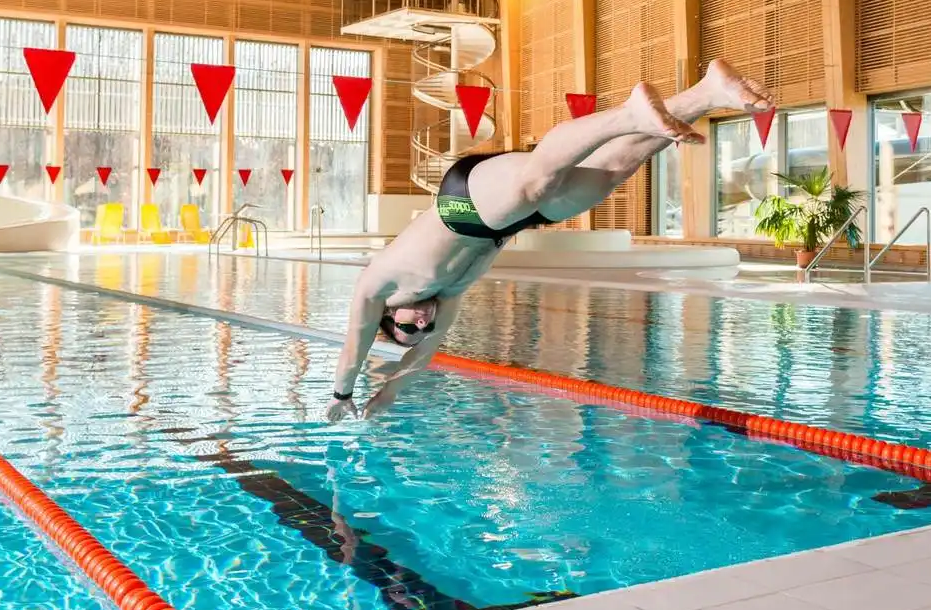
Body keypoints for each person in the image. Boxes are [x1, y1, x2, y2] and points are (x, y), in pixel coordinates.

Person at [329, 59, 773, 417]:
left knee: (536, 183)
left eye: (408, 326)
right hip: (510, 222)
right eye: (420, 330)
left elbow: (355, 344)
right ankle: (707, 92)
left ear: (388, 315)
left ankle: (628, 114)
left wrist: (343, 394)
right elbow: (420, 357)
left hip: (462, 204)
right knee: (612, 172)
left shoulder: (378, 286)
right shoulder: (447, 298)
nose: (422, 324)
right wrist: (387, 394)